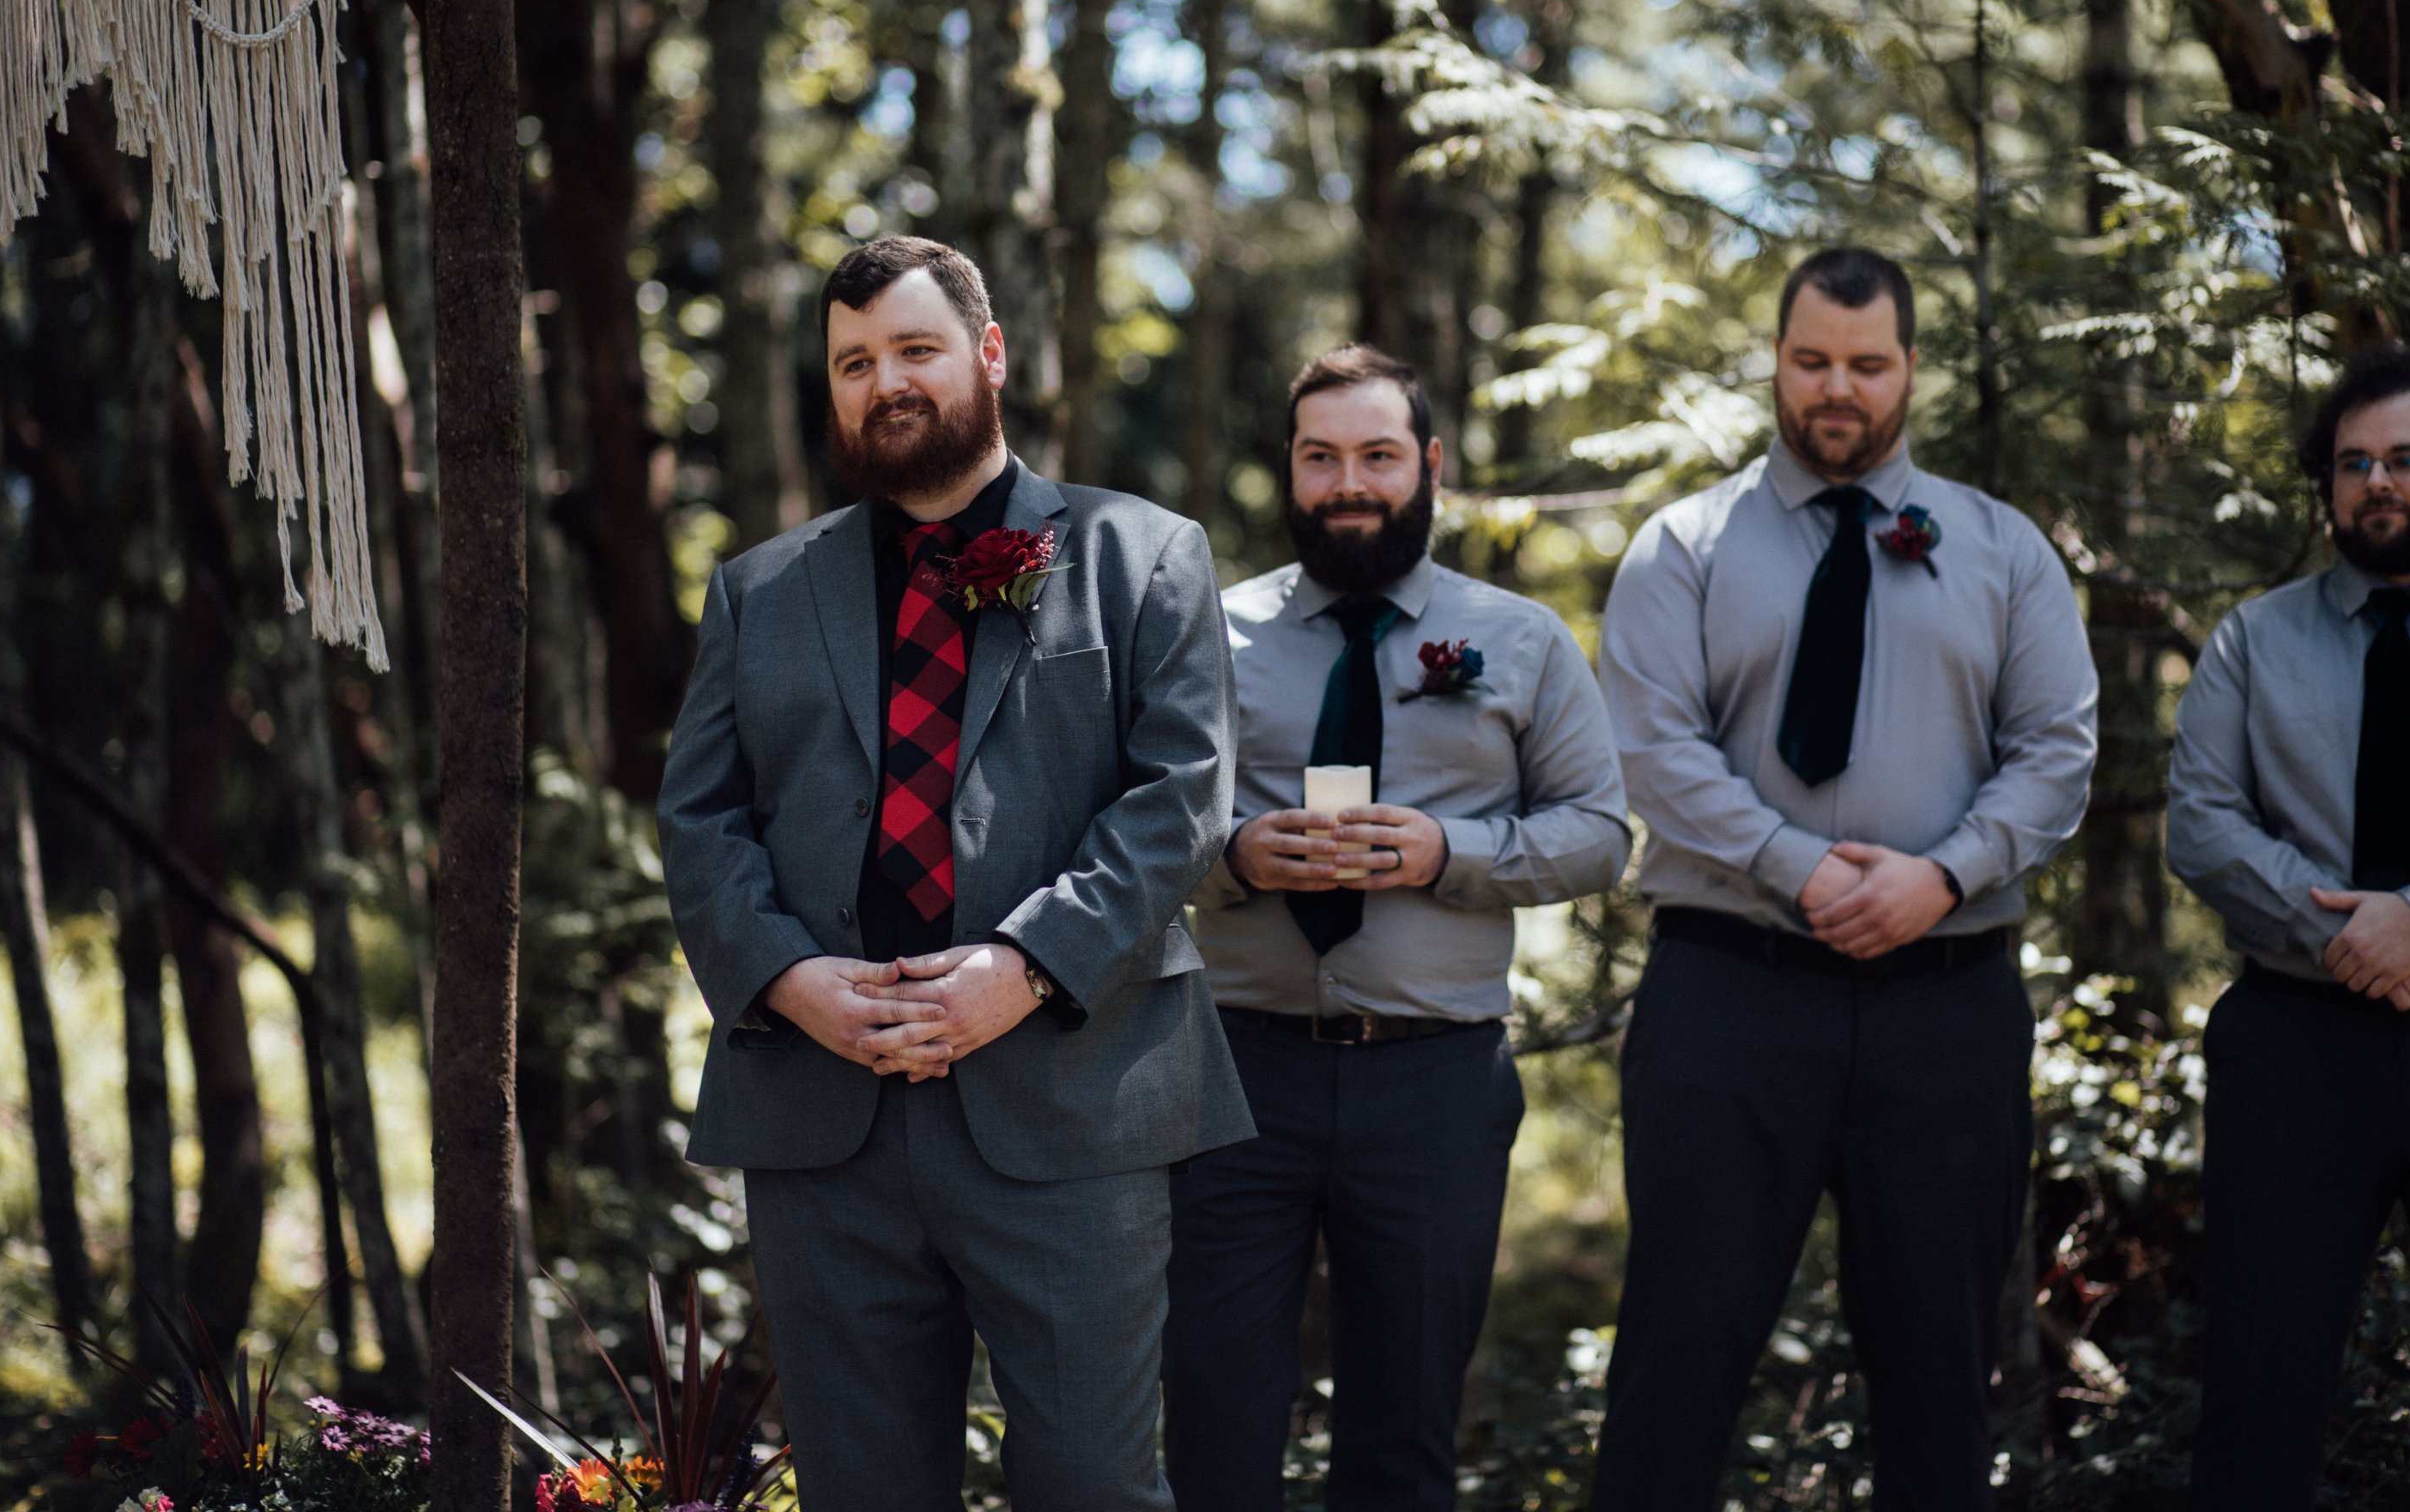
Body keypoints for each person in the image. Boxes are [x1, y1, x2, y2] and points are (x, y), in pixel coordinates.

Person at [657, 236, 1252, 1512]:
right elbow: (700, 823)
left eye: (915, 350)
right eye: (854, 363)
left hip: (1073, 1106)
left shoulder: (1142, 554)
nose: (886, 383)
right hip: (825, 1117)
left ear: (988, 355)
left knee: (1093, 1489)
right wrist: (790, 980)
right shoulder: (760, 591)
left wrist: (1026, 968)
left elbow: (1182, 801)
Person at [1590, 247, 2098, 1509]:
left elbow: (2057, 751)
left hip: (1947, 1005)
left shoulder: (2003, 549)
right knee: (1676, 1367)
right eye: (1812, 360)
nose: (1838, 389)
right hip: (1729, 997)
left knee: (1938, 1387)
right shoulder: (1683, 545)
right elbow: (1655, 749)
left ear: (1909, 369)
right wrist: (1802, 869)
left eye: (1867, 365)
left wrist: (1945, 877)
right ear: (1776, 360)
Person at [1165, 345, 1631, 1511]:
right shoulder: (1208, 632)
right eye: (1320, 458)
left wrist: (1448, 852)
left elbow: (1599, 835)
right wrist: (1233, 856)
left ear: (1429, 464)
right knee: (1212, 1414)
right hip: (1233, 1078)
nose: (1349, 484)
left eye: (1376, 456)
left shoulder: (1520, 638)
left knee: (1405, 1434)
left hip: (1435, 1086)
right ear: (1290, 469)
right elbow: (1135, 822)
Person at [2167, 343, 2410, 1509]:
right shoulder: (2252, 641)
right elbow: (2204, 826)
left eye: (2407, 458)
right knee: (2258, 1393)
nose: (2377, 481)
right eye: (2352, 463)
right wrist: (2359, 941)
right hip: (2296, 1047)